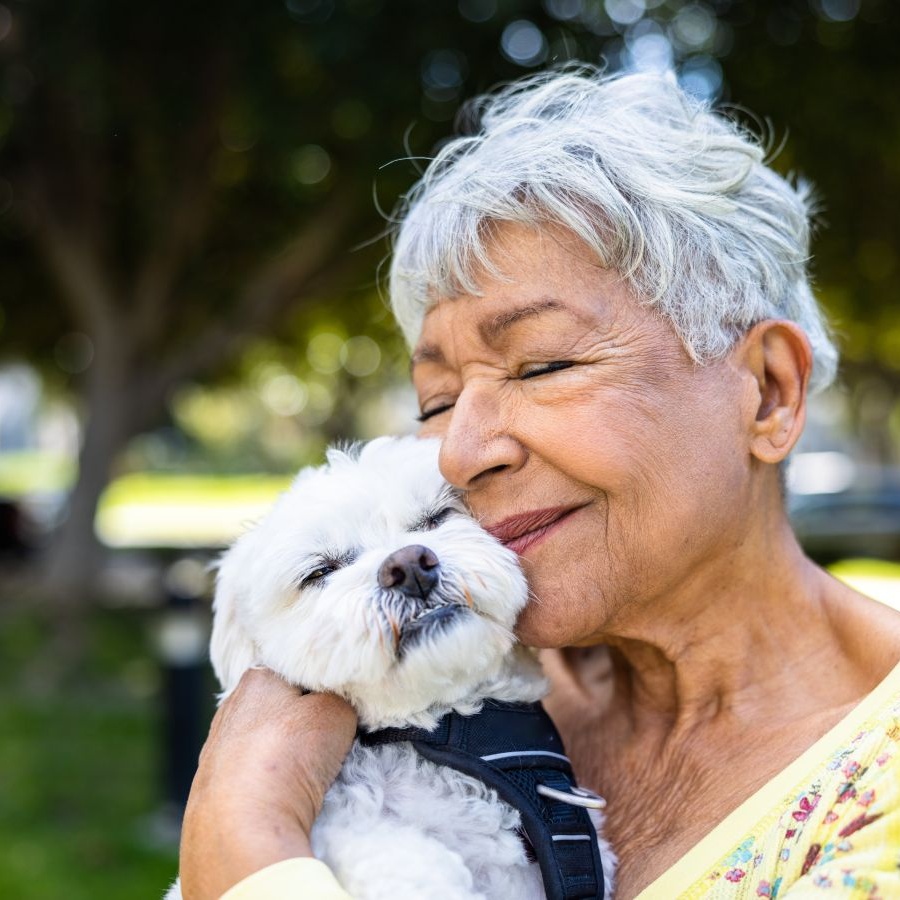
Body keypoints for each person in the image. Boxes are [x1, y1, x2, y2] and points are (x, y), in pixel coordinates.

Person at [177, 70, 900, 899]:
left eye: (544, 363)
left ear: (768, 391)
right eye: (439, 400)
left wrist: (242, 831)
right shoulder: (456, 683)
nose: (462, 450)